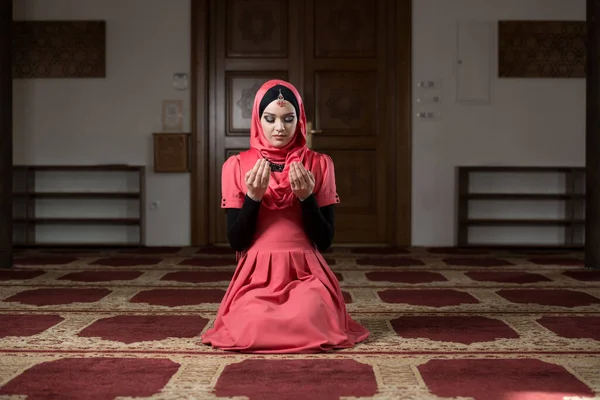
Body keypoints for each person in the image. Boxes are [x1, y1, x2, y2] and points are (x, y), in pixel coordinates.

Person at [201, 79, 370, 353]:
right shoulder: (236, 166)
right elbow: (236, 241)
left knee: (310, 314)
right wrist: (253, 199)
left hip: (305, 272)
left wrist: (306, 198)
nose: (279, 128)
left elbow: (325, 240)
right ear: (258, 120)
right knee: (253, 322)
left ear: (300, 120)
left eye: (288, 118)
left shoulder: (319, 163)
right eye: (270, 119)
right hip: (257, 273)